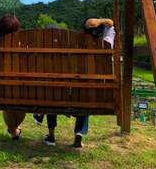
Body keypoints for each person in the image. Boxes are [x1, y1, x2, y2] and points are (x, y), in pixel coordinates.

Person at [34, 17, 116, 148]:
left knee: (52, 92)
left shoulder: (71, 45)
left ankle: (51, 136)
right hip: (88, 97)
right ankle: (79, 133)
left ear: (83, 32)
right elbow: (111, 27)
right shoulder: (107, 45)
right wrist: (101, 22)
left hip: (60, 96)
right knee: (86, 94)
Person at [0, 14, 25, 140]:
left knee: (8, 99)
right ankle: (14, 130)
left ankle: (14, 131)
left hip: (1, 91)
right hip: (24, 89)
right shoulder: (24, 48)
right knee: (20, 100)